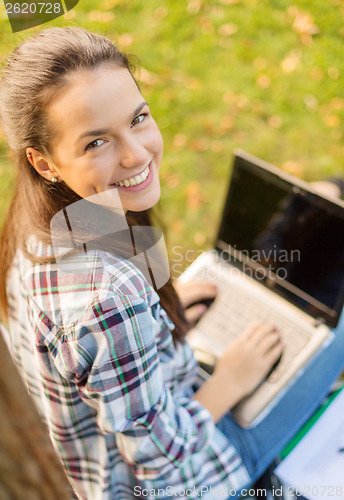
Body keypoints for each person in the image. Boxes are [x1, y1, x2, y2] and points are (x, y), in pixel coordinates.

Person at [0, 27, 343, 500]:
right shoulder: (109, 298)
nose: (137, 154)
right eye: (96, 142)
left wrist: (159, 316)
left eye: (138, 118)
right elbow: (159, 459)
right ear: (45, 163)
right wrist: (230, 381)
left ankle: (325, 197)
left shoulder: (32, 231)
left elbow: (90, 348)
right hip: (196, 474)